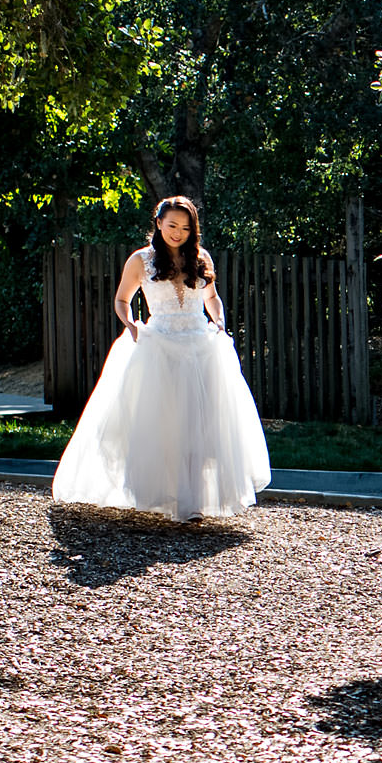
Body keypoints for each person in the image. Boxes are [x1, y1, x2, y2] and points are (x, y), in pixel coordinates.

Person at [52, 197, 271, 522]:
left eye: (185, 227)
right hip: (160, 345)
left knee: (201, 425)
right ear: (158, 223)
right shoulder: (141, 260)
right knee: (163, 423)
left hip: (200, 347)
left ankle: (194, 500)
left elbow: (211, 297)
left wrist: (219, 322)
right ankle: (166, 496)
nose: (178, 233)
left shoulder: (201, 258)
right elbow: (123, 299)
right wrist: (129, 324)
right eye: (172, 226)